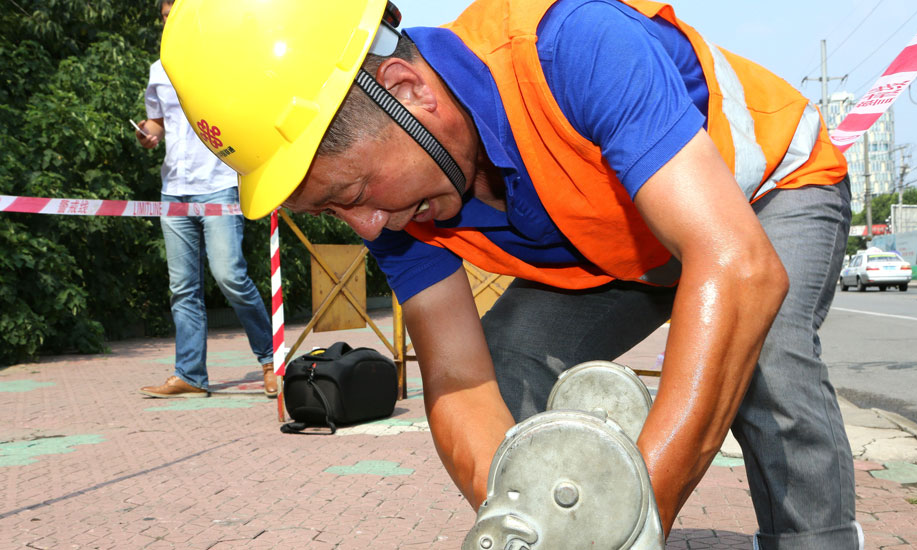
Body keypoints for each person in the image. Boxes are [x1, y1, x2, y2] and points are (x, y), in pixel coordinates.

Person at [162, 0, 860, 547]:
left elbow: (736, 268)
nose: (368, 227)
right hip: (627, 251)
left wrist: (631, 516)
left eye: (351, 195)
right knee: (505, 365)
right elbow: (461, 381)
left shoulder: (571, 45)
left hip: (767, 194)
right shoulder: (399, 199)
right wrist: (534, 527)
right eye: (335, 212)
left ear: (406, 89)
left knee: (765, 348)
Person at [135, 0, 277, 399]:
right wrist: (146, 134)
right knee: (182, 288)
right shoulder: (158, 69)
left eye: (174, 17)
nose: (168, 24)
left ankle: (271, 361)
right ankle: (191, 375)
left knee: (230, 276)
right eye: (164, 19)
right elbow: (157, 122)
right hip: (173, 189)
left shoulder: (223, 62)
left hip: (218, 184)